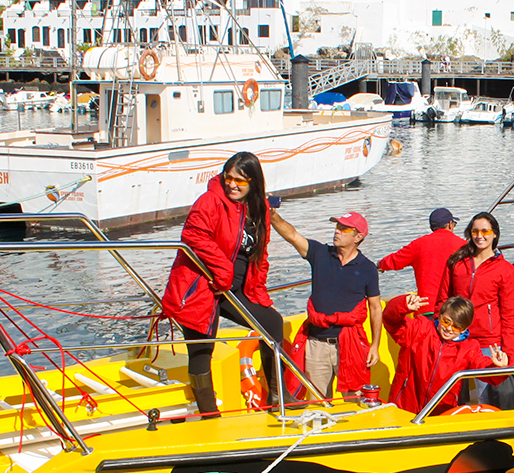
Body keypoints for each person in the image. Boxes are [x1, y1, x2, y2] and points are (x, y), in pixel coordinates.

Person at [162, 152, 290, 416]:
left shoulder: (259, 209)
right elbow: (194, 237)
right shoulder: (210, 201)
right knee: (201, 347)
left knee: (272, 323)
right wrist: (222, 272)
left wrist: (258, 290)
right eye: (228, 178)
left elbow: (260, 255)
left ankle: (278, 394)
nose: (232, 185)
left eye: (240, 180)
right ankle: (209, 413)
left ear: (253, 182)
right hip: (202, 287)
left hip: (235, 288)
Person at [271, 209, 383, 399]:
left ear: (359, 237)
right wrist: (272, 215)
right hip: (316, 344)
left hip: (351, 344)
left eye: (344, 228)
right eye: (337, 226)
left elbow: (375, 308)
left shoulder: (368, 268)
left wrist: (375, 346)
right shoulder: (320, 253)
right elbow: (292, 235)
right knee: (318, 403)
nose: (337, 231)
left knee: (355, 400)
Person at [437, 211, 514, 405]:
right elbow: (442, 301)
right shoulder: (456, 263)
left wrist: (509, 359)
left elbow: (509, 317)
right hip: (456, 337)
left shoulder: (506, 271)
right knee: (452, 394)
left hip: (488, 343)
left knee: (485, 398)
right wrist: (439, 331)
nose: (479, 235)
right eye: (475, 231)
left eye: (485, 230)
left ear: (495, 234)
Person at [383, 293, 507, 414]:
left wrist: (498, 367)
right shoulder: (420, 329)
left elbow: (483, 369)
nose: (449, 328)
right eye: (446, 321)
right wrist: (402, 304)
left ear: (464, 329)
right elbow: (390, 319)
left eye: (456, 327)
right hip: (404, 407)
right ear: (440, 316)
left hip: (441, 412)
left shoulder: (469, 348)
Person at [378, 207, 465, 306]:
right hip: (453, 309)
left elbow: (395, 260)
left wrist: (380, 265)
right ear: (450, 224)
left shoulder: (418, 245)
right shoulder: (463, 246)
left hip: (426, 306)